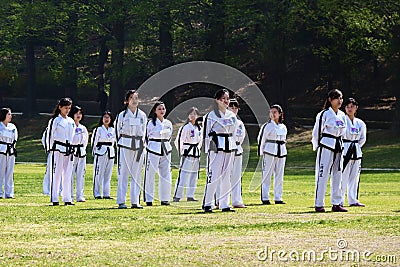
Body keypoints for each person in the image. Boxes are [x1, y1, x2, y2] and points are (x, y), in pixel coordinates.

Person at [311, 89, 348, 212]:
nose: (340, 101)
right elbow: (317, 131)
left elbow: (343, 131)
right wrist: (317, 146)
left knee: (338, 174)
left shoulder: (342, 115)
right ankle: (319, 203)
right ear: (330, 100)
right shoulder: (324, 114)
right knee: (323, 174)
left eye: (341, 98)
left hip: (338, 145)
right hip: (326, 145)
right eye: (337, 98)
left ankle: (336, 203)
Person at [202, 89, 237, 212]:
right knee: (214, 175)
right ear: (217, 100)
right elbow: (205, 134)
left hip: (229, 146)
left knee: (227, 176)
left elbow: (234, 132)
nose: (226, 101)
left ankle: (224, 204)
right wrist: (208, 149)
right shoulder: (210, 116)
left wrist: (234, 146)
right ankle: (208, 203)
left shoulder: (232, 116)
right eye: (223, 99)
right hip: (216, 147)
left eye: (227, 99)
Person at [115, 90, 147, 209]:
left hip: (138, 145)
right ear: (127, 101)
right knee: (123, 173)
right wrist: (121, 142)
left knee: (137, 173)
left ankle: (135, 201)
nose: (134, 100)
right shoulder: (122, 115)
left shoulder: (142, 115)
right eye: (131, 98)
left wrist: (142, 144)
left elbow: (144, 131)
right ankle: (121, 201)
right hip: (125, 144)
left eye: (136, 98)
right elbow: (117, 130)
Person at [45, 98, 76, 206]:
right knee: (56, 174)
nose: (67, 110)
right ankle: (54, 198)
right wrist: (50, 149)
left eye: (69, 108)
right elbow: (50, 134)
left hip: (69, 149)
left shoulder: (71, 121)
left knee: (68, 174)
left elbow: (72, 136)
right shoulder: (55, 120)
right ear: (60, 107)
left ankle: (67, 198)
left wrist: (72, 147)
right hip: (57, 148)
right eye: (65, 108)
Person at [143, 101, 173, 206]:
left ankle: (165, 198)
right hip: (153, 148)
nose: (162, 111)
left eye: (163, 109)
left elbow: (170, 136)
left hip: (165, 148)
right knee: (150, 174)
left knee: (166, 174)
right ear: (155, 111)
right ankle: (149, 198)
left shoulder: (168, 123)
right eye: (159, 109)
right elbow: (146, 137)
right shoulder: (150, 123)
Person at [257, 104, 287, 205]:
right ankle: (265, 197)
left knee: (279, 175)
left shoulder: (283, 127)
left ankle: (278, 197)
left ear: (280, 114)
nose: (273, 114)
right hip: (269, 151)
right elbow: (261, 139)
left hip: (281, 152)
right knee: (267, 175)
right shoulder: (267, 126)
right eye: (271, 112)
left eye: (275, 112)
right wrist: (261, 152)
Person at [341, 98, 367, 207]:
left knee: (354, 177)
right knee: (343, 176)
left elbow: (362, 138)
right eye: (347, 107)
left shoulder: (360, 123)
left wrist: (355, 146)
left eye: (352, 106)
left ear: (356, 108)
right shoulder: (342, 120)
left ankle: (353, 199)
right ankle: (339, 200)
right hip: (345, 149)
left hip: (356, 149)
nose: (349, 109)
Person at [173, 107, 202, 202]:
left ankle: (190, 195)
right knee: (184, 174)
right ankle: (177, 195)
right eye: (191, 114)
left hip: (196, 153)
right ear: (188, 116)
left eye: (195, 114)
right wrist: (182, 152)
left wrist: (198, 149)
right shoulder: (185, 127)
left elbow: (200, 141)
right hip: (187, 152)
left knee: (194, 175)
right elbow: (178, 140)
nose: (193, 116)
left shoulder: (198, 128)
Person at [91, 111, 116, 200]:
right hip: (100, 151)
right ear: (102, 118)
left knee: (108, 174)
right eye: (105, 117)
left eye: (108, 117)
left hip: (110, 151)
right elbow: (94, 143)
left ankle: (106, 193)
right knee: (98, 173)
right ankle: (97, 193)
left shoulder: (113, 130)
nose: (106, 119)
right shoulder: (98, 129)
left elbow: (114, 142)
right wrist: (95, 153)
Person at [227, 99, 246, 208]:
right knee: (224, 175)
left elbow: (241, 136)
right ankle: (220, 200)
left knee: (236, 175)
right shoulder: (225, 120)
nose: (234, 110)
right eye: (231, 107)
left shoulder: (239, 123)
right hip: (227, 148)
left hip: (237, 148)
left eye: (236, 108)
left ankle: (237, 200)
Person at [68, 106, 89, 203]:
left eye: (80, 113)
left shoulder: (83, 128)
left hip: (81, 151)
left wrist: (82, 150)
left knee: (81, 174)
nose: (78, 115)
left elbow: (85, 141)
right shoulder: (70, 126)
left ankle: (80, 195)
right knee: (70, 174)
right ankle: (70, 195)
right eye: (76, 113)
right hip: (72, 150)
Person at [0, 108, 18, 199]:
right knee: (1, 172)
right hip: (1, 150)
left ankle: (9, 193)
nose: (10, 116)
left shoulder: (13, 127)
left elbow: (15, 139)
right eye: (9, 114)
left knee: (10, 172)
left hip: (10, 151)